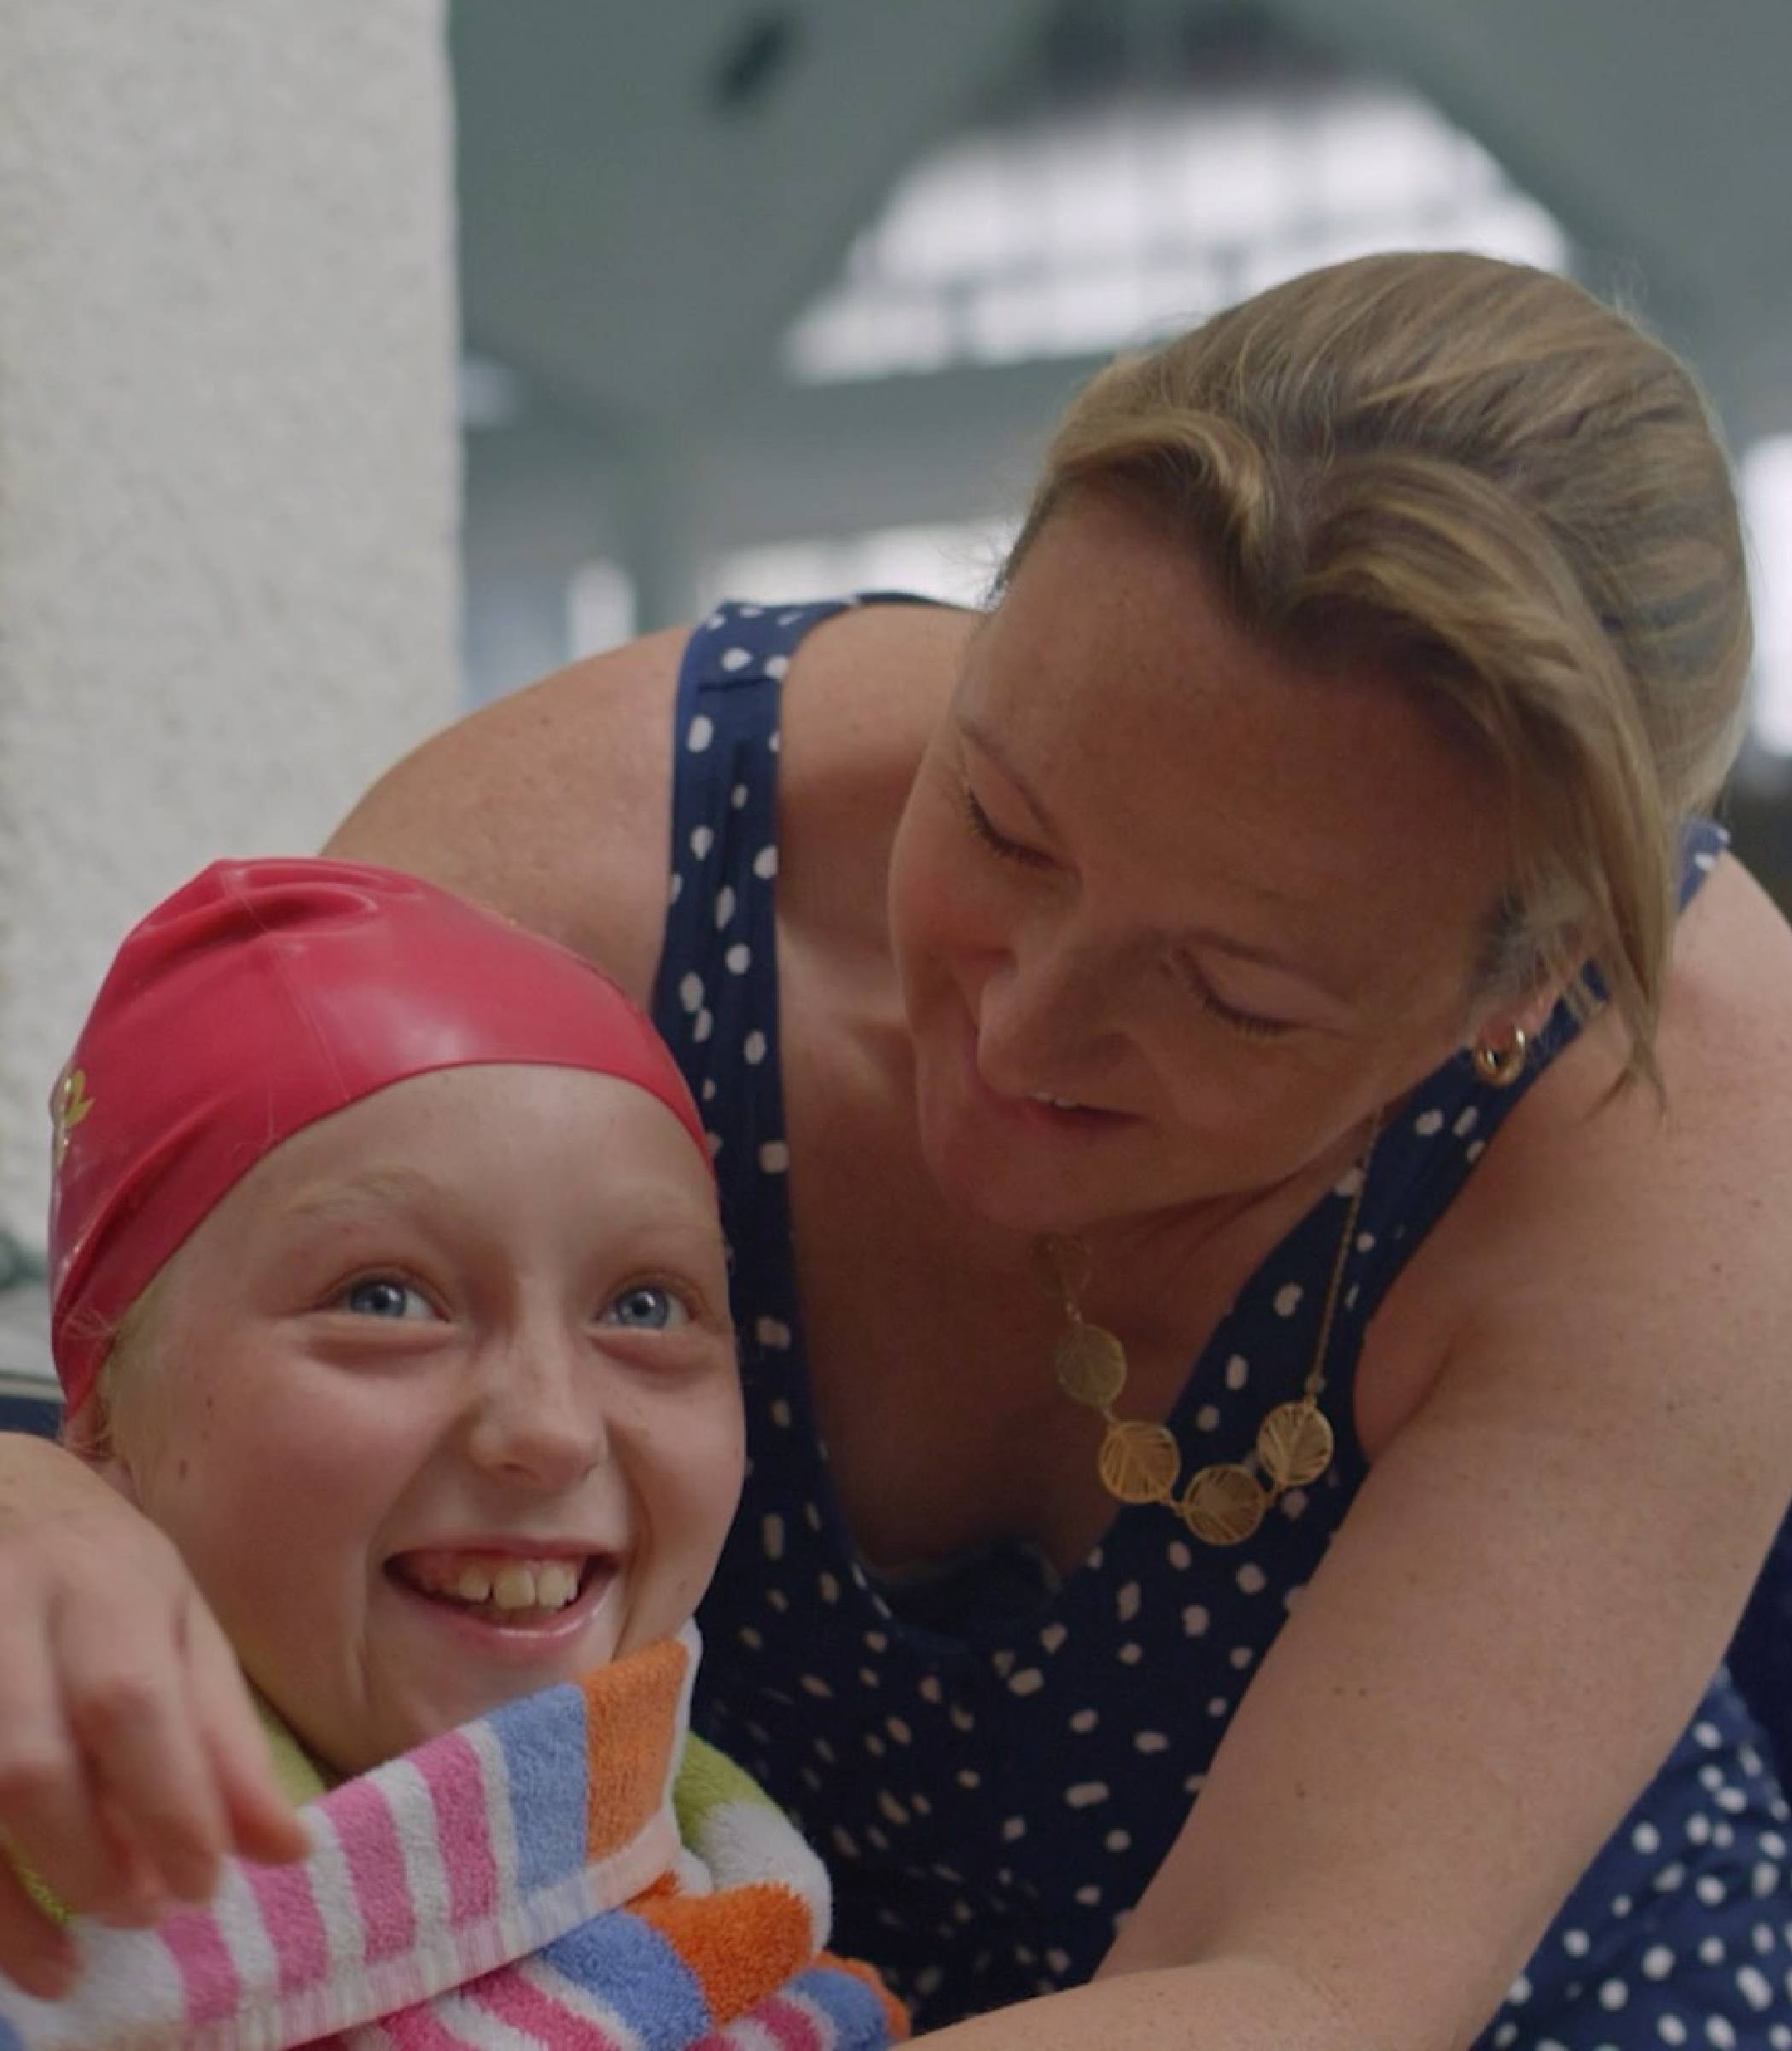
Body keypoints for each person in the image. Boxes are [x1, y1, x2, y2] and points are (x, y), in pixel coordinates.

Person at [2, 251, 1790, 2051]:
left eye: (1232, 993)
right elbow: (157, 1349)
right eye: (1003, 826)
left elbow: (1303, 1987)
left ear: (1523, 987)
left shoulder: (1692, 1129)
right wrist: (42, 1496)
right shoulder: (587, 876)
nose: (1023, 1031)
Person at [0, 857, 902, 2047]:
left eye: (644, 1308)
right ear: (106, 1416)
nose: (551, 1429)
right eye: (382, 1299)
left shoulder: (758, 1950)